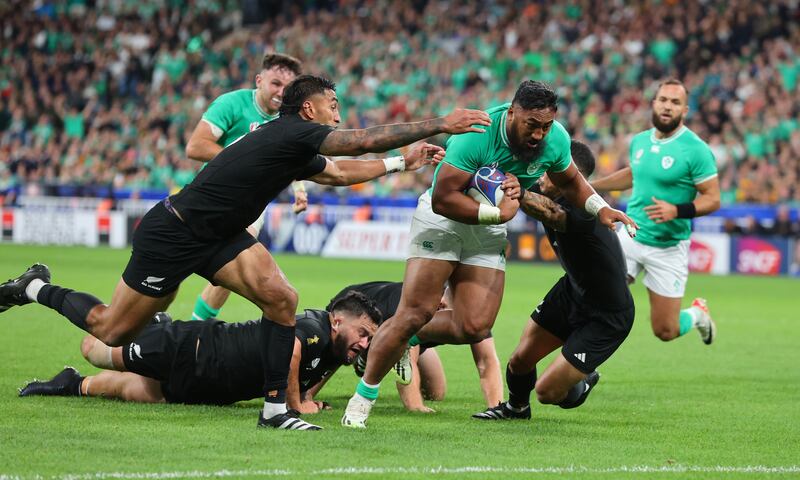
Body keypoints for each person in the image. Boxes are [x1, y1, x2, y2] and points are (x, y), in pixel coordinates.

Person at [0, 74, 491, 431]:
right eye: (332, 104)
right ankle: (35, 287)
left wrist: (400, 162)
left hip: (219, 235)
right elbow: (356, 141)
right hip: (174, 232)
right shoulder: (293, 131)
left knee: (282, 298)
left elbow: (338, 172)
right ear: (307, 110)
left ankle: (276, 408)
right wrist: (436, 126)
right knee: (110, 327)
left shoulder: (292, 142)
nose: (338, 113)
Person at [342, 80, 637, 428]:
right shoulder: (476, 134)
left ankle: (400, 338)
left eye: (545, 126)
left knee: (475, 326)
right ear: (512, 113)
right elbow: (443, 197)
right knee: (415, 312)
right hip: (443, 220)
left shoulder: (555, 138)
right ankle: (363, 398)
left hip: (490, 226)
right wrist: (496, 214)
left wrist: (600, 208)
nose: (539, 135)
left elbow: (572, 181)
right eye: (532, 125)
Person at [19, 292, 381, 423]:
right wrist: (295, 407)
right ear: (336, 321)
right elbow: (291, 353)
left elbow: (310, 374)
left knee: (144, 393)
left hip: (213, 386)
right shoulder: (310, 324)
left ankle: (72, 384)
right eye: (363, 334)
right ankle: (40, 289)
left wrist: (306, 398)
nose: (365, 344)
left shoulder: (336, 352)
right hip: (193, 350)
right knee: (95, 348)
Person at [473, 141, 634, 420]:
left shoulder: (587, 208)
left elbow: (551, 213)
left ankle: (582, 381)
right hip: (571, 292)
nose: (543, 175)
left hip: (607, 315)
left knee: (548, 392)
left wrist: (518, 192)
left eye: (552, 170)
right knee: (520, 360)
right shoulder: (546, 186)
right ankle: (516, 409)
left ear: (572, 177)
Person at [592, 79, 719, 345]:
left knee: (665, 331)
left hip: (668, 247)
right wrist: (590, 186)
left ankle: (697, 314)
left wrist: (677, 210)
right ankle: (581, 370)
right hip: (630, 235)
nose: (667, 106)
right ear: (654, 104)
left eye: (675, 103)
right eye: (663, 100)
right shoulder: (639, 141)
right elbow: (633, 174)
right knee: (597, 303)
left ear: (685, 110)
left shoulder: (696, 150)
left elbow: (713, 199)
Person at [184, 53, 308, 323]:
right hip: (209, 196)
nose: (281, 93)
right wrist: (242, 163)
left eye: (288, 89)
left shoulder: (289, 119)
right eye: (275, 84)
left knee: (235, 263)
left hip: (250, 204)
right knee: (173, 273)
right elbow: (195, 146)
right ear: (259, 80)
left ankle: (196, 328)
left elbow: (292, 160)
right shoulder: (232, 103)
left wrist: (299, 190)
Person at [327, 281, 503, 412]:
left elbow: (487, 361)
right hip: (357, 308)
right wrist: (415, 405)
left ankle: (369, 356)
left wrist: (496, 408)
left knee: (437, 393)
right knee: (337, 353)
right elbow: (406, 354)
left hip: (415, 339)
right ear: (442, 304)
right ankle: (367, 355)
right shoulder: (424, 304)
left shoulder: (472, 318)